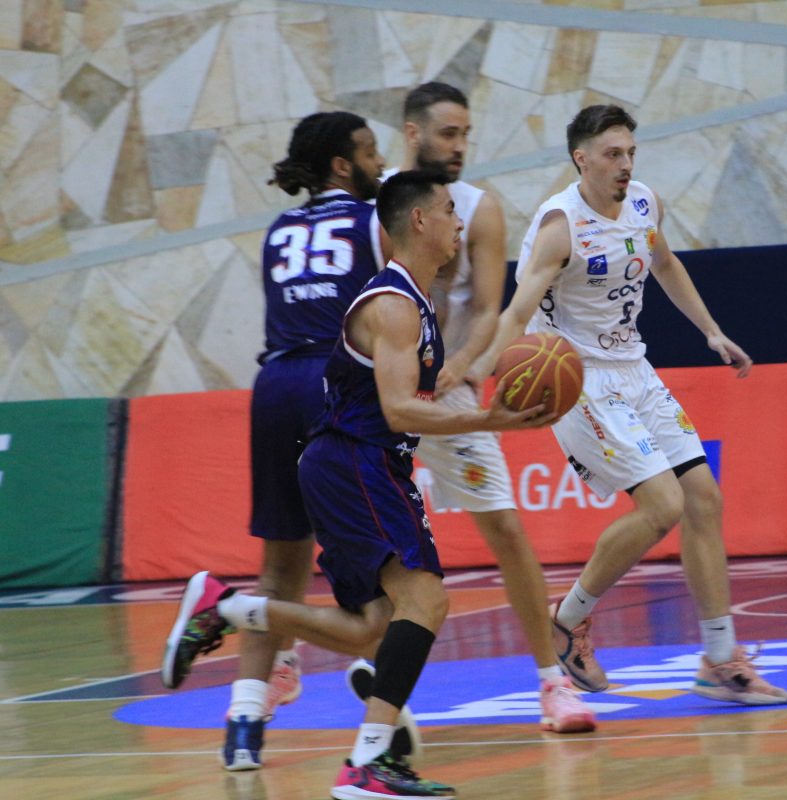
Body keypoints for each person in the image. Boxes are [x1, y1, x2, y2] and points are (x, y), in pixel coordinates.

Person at [162, 170, 556, 800]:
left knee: (372, 627)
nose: (460, 221)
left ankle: (226, 608)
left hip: (359, 465)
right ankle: (369, 762)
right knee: (426, 601)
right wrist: (490, 419)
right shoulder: (394, 305)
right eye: (448, 209)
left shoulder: (416, 302)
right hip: (357, 463)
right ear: (419, 221)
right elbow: (398, 411)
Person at [479, 103, 787, 706]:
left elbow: (665, 264)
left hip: (635, 369)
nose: (625, 164)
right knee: (664, 504)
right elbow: (518, 311)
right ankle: (567, 620)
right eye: (612, 154)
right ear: (582, 159)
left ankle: (720, 659)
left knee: (703, 498)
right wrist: (478, 370)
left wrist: (711, 331)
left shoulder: (645, 203)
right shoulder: (559, 226)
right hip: (578, 377)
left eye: (630, 153)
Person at [344, 82, 595, 735]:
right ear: (413, 134)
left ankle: (552, 683)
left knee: (505, 529)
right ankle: (329, 660)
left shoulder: (479, 209)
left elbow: (488, 307)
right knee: (352, 538)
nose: (459, 146)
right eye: (448, 133)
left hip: (448, 387)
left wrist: (463, 365)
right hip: (375, 390)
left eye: (465, 135)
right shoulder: (374, 202)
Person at [188, 110, 394, 772]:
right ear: (342, 164)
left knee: (280, 564)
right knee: (382, 566)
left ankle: (244, 726)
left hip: (275, 386)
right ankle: (384, 710)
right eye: (371, 151)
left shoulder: (279, 230)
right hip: (335, 385)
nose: (380, 162)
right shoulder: (374, 220)